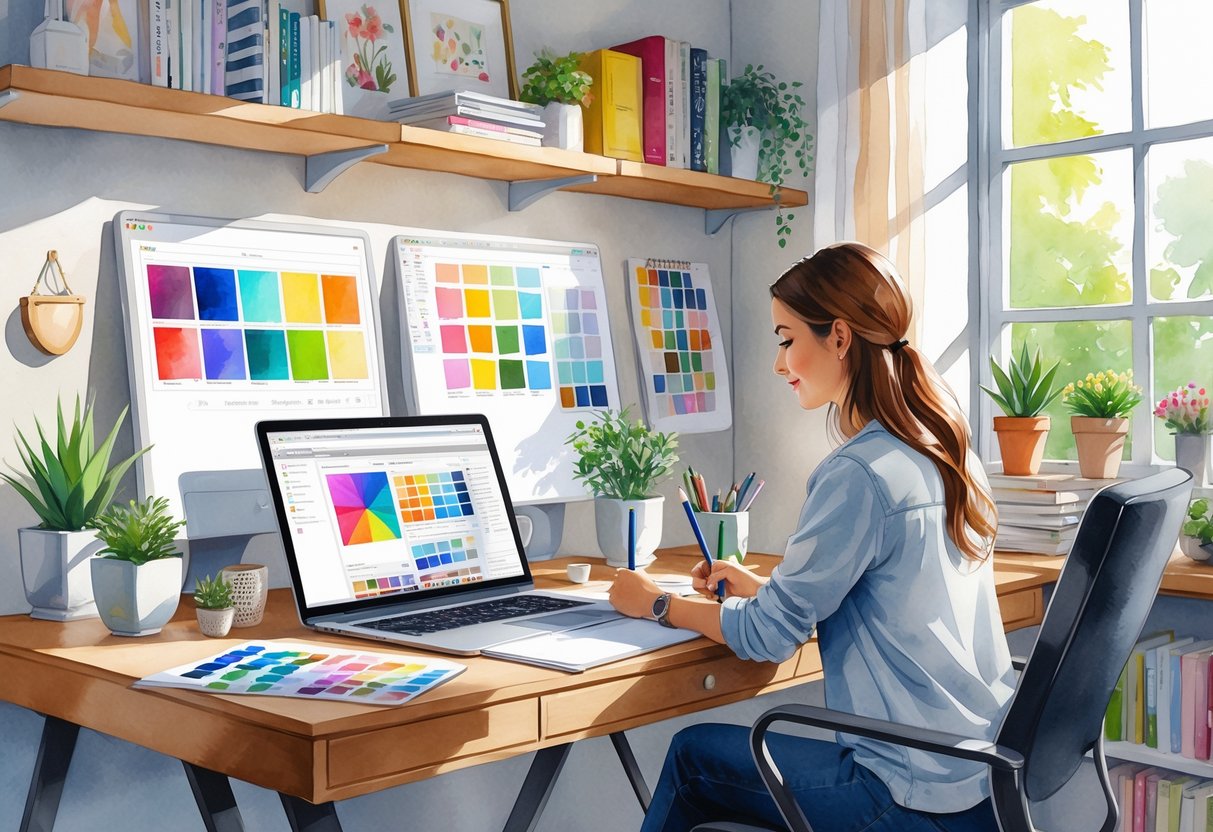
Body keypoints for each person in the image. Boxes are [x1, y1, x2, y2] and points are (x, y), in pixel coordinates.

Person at [609, 242, 1013, 832]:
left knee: (695, 757)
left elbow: (767, 636)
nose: (779, 364)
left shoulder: (859, 473)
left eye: (786, 338)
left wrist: (658, 604)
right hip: (978, 779)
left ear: (840, 338)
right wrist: (767, 586)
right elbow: (892, 594)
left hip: (903, 789)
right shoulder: (948, 450)